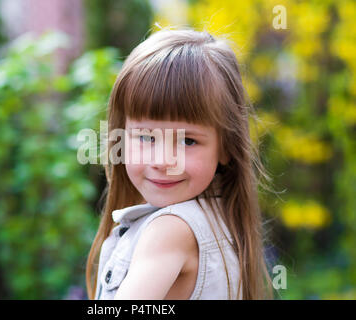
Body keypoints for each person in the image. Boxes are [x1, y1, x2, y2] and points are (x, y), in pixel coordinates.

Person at [85, 26, 274, 300]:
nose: (163, 161)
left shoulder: (169, 231)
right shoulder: (220, 216)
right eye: (147, 137)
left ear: (225, 147)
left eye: (187, 141)